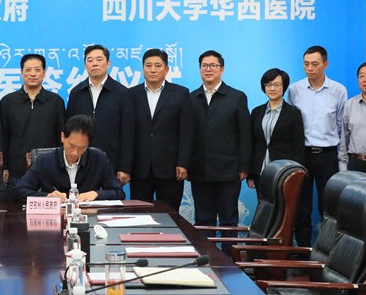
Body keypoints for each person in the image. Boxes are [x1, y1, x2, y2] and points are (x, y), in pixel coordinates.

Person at [187, 50, 252, 251]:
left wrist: (244, 166)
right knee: (203, 220)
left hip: (228, 171)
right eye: (204, 66)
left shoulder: (236, 97)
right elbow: (186, 135)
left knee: (228, 220)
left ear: (222, 69)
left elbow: (245, 134)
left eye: (213, 65)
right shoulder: (191, 98)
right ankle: (207, 260)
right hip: (200, 171)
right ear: (200, 69)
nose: (209, 69)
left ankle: (229, 263)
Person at [286, 45, 347, 247]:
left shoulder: (338, 90)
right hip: (302, 154)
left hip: (328, 155)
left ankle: (327, 252)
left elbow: (341, 126)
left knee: (328, 207)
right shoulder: (294, 90)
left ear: (325, 64)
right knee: (301, 207)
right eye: (306, 64)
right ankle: (303, 251)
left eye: (314, 64)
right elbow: (291, 124)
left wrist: (342, 159)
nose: (309, 68)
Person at [121, 48, 193, 210]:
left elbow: (186, 132)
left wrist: (183, 163)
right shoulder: (131, 94)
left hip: (171, 168)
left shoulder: (181, 93)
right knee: (139, 215)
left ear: (166, 69)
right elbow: (127, 133)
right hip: (140, 168)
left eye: (158, 66)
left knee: (170, 214)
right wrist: (125, 167)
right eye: (148, 65)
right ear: (143, 68)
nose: (153, 70)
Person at [13, 115, 124, 201]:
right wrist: (47, 196)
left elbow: (118, 192)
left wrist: (96, 194)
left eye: (82, 148)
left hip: (87, 217)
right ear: (63, 137)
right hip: (54, 218)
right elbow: (19, 191)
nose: (75, 153)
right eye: (71, 146)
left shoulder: (98, 159)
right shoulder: (44, 161)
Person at [65, 44, 133, 183]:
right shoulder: (76, 93)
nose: (94, 64)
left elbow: (128, 133)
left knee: (110, 196)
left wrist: (125, 167)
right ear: (85, 65)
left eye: (99, 59)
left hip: (112, 161)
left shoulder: (122, 93)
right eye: (90, 60)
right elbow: (69, 131)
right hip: (80, 160)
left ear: (108, 63)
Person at [0, 53, 66, 182]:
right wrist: (5, 167)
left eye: (37, 70)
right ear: (21, 72)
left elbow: (61, 138)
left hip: (49, 168)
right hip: (16, 171)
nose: (33, 74)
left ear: (44, 73)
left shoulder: (55, 101)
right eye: (28, 70)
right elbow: (3, 137)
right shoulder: (8, 102)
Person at [248, 68, 305, 192]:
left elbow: (298, 146)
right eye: (268, 85)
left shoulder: (293, 113)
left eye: (277, 84)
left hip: (284, 171)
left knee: (283, 204)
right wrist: (250, 174)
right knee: (262, 203)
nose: (272, 88)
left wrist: (297, 173)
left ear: (284, 87)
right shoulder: (256, 112)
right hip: (260, 171)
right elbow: (252, 143)